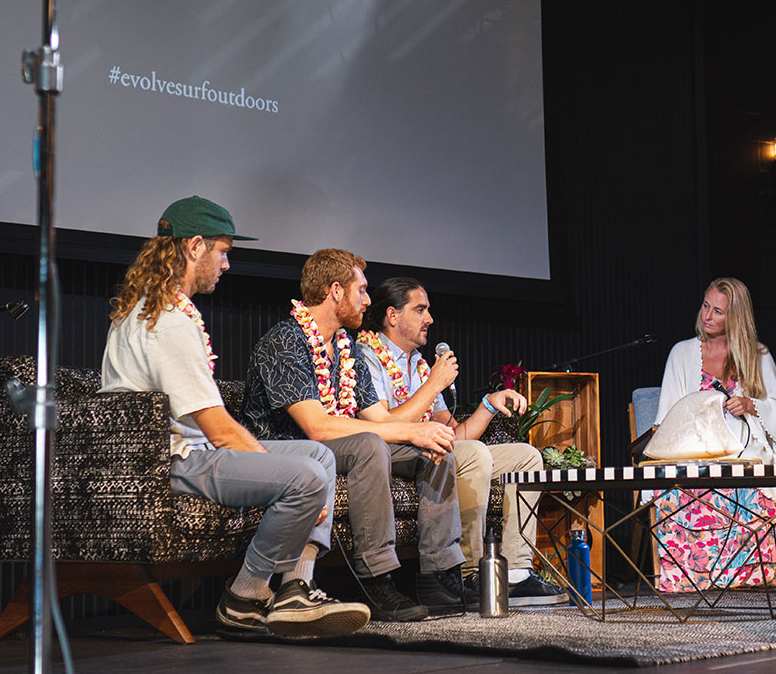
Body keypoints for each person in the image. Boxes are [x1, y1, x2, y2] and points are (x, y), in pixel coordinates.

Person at [99, 196, 370, 637]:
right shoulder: (167, 321)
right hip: (172, 461)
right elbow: (219, 429)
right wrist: (281, 469)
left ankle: (294, 591)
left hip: (188, 451)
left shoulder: (153, 307)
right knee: (306, 476)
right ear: (195, 247)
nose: (226, 264)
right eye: (223, 251)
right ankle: (244, 598)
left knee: (319, 457)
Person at [241, 249, 470, 619]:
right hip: (282, 449)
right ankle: (377, 577)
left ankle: (438, 575)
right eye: (361, 290)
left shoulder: (346, 351)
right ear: (336, 291)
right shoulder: (285, 341)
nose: (368, 300)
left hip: (335, 443)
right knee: (368, 445)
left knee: (435, 449)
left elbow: (381, 419)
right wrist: (408, 427)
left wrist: (419, 432)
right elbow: (316, 426)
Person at [356, 277, 568, 606]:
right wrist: (433, 385)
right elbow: (384, 423)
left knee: (525, 457)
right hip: (389, 448)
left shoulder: (420, 364)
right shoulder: (366, 356)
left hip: (430, 445)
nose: (430, 319)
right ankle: (467, 571)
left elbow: (455, 436)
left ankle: (515, 573)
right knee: (473, 455)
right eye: (420, 310)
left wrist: (487, 405)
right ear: (393, 316)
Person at [651, 277, 776, 592]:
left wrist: (750, 404)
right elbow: (669, 416)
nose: (707, 316)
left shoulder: (758, 355)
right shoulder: (682, 353)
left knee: (753, 481)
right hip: (694, 452)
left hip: (746, 451)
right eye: (705, 306)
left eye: (718, 311)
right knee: (689, 484)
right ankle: (694, 577)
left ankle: (750, 575)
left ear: (735, 317)